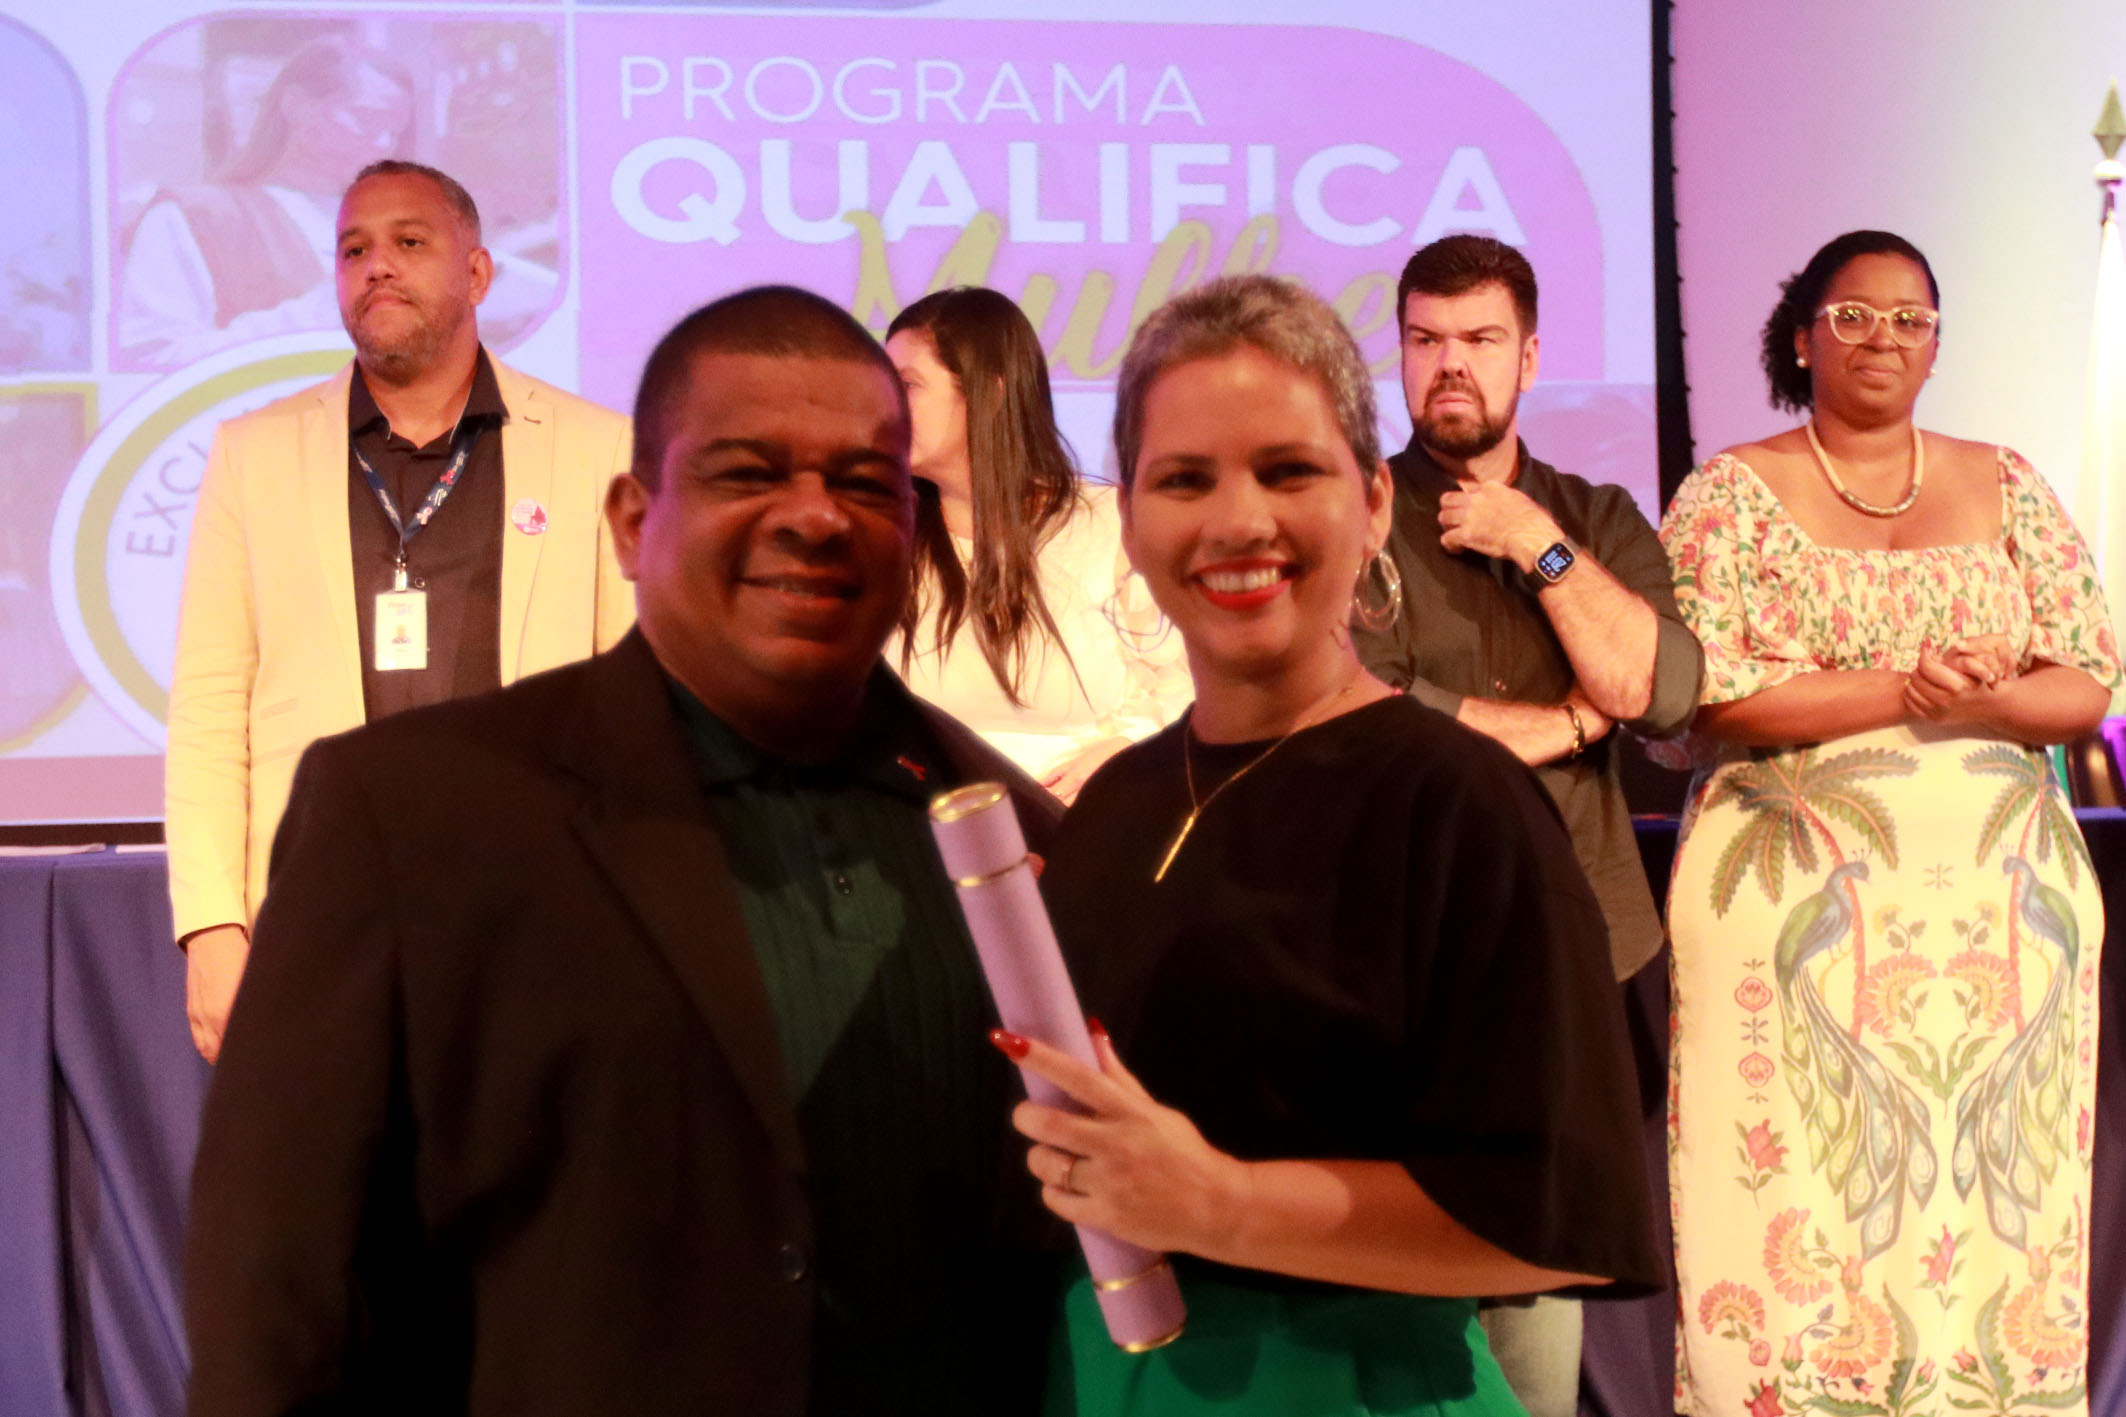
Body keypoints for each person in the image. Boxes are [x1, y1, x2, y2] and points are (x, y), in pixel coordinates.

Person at [184, 286, 1064, 1416]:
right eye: (747, 473)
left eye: (862, 483)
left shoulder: (1018, 844)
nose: (816, 516)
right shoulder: (406, 815)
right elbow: (273, 1284)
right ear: (630, 523)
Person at [1000, 274, 1663, 1416]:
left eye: (1287, 471)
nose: (1237, 520)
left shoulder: (1459, 806)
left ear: (1371, 502)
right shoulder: (1114, 806)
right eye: (1183, 479)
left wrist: (1219, 1203)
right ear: (1131, 525)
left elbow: (1551, 1223)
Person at [1659, 231, 2119, 1417]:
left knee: (1991, 1213)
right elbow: (1702, 697)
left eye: (1909, 319)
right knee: (1796, 1200)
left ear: (1934, 345)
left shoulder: (2006, 481)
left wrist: (1976, 705)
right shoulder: (1725, 495)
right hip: (1789, 929)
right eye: (1852, 315)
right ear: (1798, 338)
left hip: (2002, 935)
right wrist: (1902, 690)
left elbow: (2085, 679)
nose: (1882, 338)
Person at [165, 159, 633, 1062]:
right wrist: (212, 926)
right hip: (320, 921)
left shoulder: (595, 447)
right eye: (353, 250)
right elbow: (209, 709)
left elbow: (635, 709)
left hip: (538, 918)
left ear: (478, 272)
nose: (375, 264)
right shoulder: (254, 454)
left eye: (409, 241)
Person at [1351, 234, 1702, 1415]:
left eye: (1478, 339)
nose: (1448, 363)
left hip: (1568, 950)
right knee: (1391, 1286)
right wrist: (1559, 725)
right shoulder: (1351, 511)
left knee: (1532, 1303)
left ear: (1530, 356)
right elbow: (1359, 705)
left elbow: (1657, 692)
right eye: (1424, 339)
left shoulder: (1592, 515)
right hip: (1392, 951)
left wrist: (1533, 546)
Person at [883, 286, 1186, 800]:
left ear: (989, 393)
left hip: (1090, 815)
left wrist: (1127, 747)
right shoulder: (889, 539)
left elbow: (1187, 679)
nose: (886, 408)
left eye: (908, 385)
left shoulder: (1107, 526)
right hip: (932, 819)